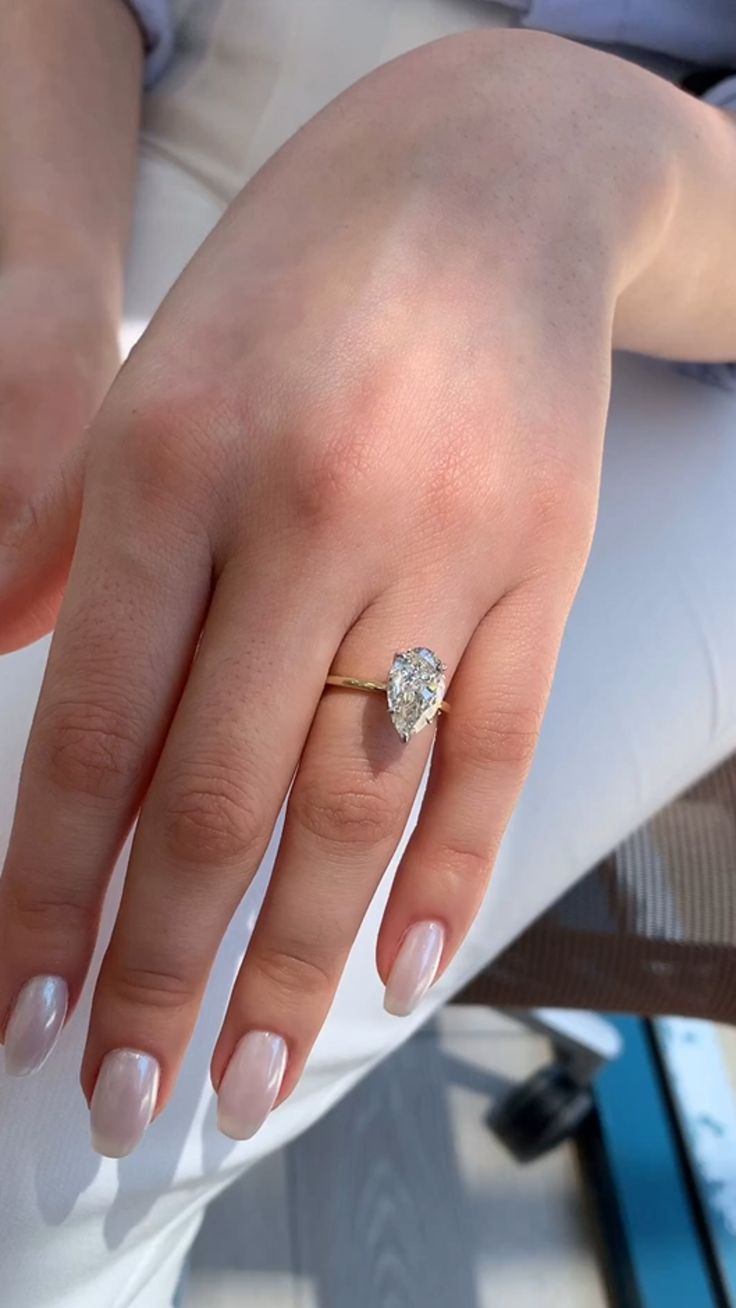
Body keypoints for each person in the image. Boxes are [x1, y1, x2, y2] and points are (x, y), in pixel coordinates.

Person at [0, 1, 735, 1303]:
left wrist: (568, 152)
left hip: (665, 273)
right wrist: (37, 275)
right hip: (122, 81)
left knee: (40, 1133)